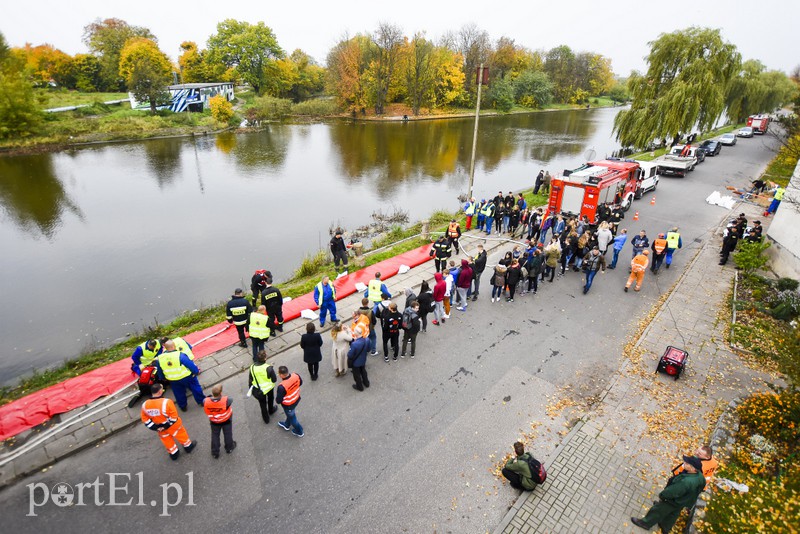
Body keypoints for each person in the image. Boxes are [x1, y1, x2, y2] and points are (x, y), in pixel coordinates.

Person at [631, 456, 706, 533]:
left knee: (657, 510)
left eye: (687, 463)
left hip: (673, 501)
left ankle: (645, 523)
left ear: (693, 468)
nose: (684, 463)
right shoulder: (700, 476)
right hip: (684, 501)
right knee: (674, 514)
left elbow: (673, 492)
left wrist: (663, 495)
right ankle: (665, 527)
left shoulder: (686, 482)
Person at [141, 383, 197, 461]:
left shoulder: (145, 405)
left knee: (167, 440)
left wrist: (156, 427)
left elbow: (145, 419)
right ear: (160, 392)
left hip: (159, 427)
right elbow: (174, 416)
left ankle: (174, 453)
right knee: (181, 435)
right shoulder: (167, 402)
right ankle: (188, 447)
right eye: (162, 389)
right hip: (173, 426)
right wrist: (165, 425)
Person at [156, 339, 204, 411]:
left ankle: (183, 406)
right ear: (173, 347)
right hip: (187, 376)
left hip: (173, 379)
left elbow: (159, 371)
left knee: (178, 392)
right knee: (195, 388)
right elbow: (190, 365)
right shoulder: (180, 355)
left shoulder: (160, 358)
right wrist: (196, 371)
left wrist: (163, 378)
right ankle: (201, 401)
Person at [203, 384, 235, 459]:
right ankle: (229, 448)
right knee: (228, 434)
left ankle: (215, 452)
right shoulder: (227, 400)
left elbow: (205, 400)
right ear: (221, 393)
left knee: (215, 436)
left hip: (214, 421)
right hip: (226, 420)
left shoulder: (206, 401)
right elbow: (230, 399)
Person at [248, 350, 278, 424]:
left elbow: (250, 378)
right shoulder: (269, 368)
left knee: (262, 404)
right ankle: (271, 410)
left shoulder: (252, 367)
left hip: (259, 390)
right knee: (270, 399)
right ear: (265, 358)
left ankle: (266, 419)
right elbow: (274, 380)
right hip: (269, 388)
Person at [276, 366, 304, 438]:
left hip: (289, 405)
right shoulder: (296, 375)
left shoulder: (282, 386)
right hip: (296, 399)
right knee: (290, 415)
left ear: (281, 375)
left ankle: (299, 431)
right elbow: (300, 383)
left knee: (292, 418)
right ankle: (287, 425)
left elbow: (278, 400)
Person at [348, 326, 370, 391]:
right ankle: (366, 383)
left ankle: (359, 387)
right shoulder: (367, 340)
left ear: (356, 334)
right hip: (363, 360)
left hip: (356, 363)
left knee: (357, 375)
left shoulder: (354, 344)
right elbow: (368, 349)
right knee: (363, 371)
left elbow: (350, 355)